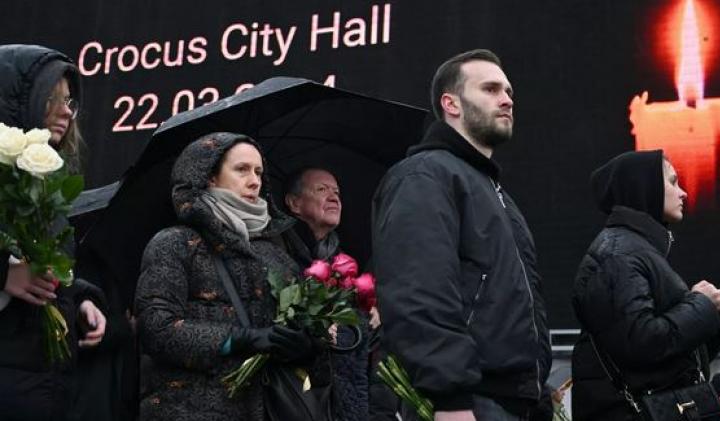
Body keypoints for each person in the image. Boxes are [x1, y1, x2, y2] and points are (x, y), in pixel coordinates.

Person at [372, 49, 552, 421]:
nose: (506, 100)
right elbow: (418, 291)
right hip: (466, 403)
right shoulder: (424, 176)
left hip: (515, 402)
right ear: (450, 103)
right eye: (490, 89)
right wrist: (450, 396)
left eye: (508, 92)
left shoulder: (496, 192)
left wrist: (537, 391)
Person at [135, 132, 331, 420]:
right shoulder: (174, 243)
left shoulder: (279, 255)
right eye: (242, 170)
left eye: (259, 172)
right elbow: (156, 330)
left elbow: (320, 364)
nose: (255, 181)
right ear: (209, 177)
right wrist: (240, 339)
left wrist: (306, 348)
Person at [571, 150, 720, 420]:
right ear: (645, 188)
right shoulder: (620, 255)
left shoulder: (637, 250)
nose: (683, 192)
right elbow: (641, 343)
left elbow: (675, 357)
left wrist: (712, 315)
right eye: (673, 182)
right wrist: (701, 306)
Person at [0, 44, 106, 420]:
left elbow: (50, 264)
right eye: (52, 98)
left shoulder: (48, 185)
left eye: (70, 101)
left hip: (46, 386)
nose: (66, 111)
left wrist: (77, 301)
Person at [283, 166, 370, 421]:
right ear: (294, 203)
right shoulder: (278, 253)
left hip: (343, 395)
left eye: (337, 192)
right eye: (322, 190)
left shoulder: (345, 260)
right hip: (295, 397)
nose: (334, 198)